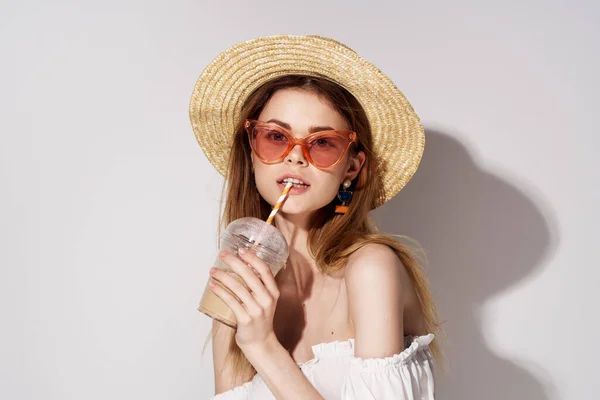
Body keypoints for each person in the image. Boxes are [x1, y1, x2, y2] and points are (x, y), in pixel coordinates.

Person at [189, 34, 444, 400]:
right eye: (276, 136)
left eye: (322, 142)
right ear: (251, 151)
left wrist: (263, 346)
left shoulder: (371, 269)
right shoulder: (238, 290)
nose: (296, 157)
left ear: (353, 166)